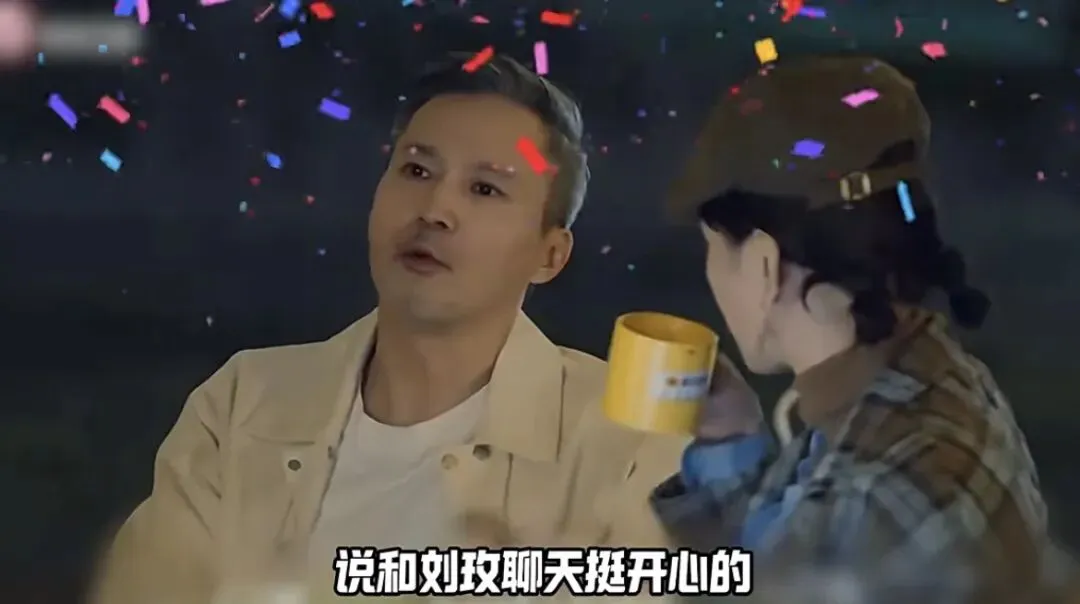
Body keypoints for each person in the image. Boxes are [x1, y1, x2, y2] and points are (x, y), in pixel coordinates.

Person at [90, 52, 686, 604]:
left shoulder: (628, 441)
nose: (435, 210)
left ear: (549, 255)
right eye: (417, 170)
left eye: (485, 189)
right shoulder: (244, 401)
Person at [649, 55, 1053, 600]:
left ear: (764, 265)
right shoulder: (933, 384)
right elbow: (790, 552)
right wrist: (730, 442)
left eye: (714, 247)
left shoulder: (872, 493)